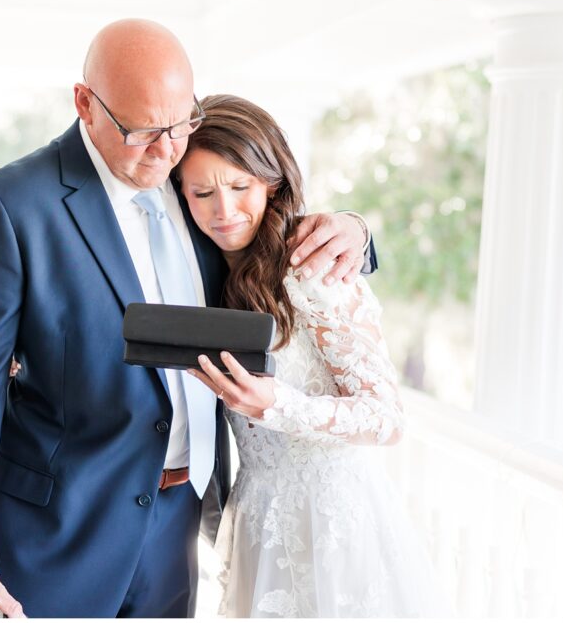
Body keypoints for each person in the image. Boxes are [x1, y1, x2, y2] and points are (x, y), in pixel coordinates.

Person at [0, 19, 375, 618]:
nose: (165, 150)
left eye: (180, 124)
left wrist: (359, 234)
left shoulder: (199, 184)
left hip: (178, 531)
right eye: (140, 131)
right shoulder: (10, 207)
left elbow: (274, 221)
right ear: (85, 102)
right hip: (53, 537)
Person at [180, 94, 451, 617]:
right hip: (257, 515)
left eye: (240, 187)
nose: (224, 210)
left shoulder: (313, 268)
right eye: (202, 192)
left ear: (272, 182)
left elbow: (386, 418)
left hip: (335, 524)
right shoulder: (203, 270)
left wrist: (277, 404)